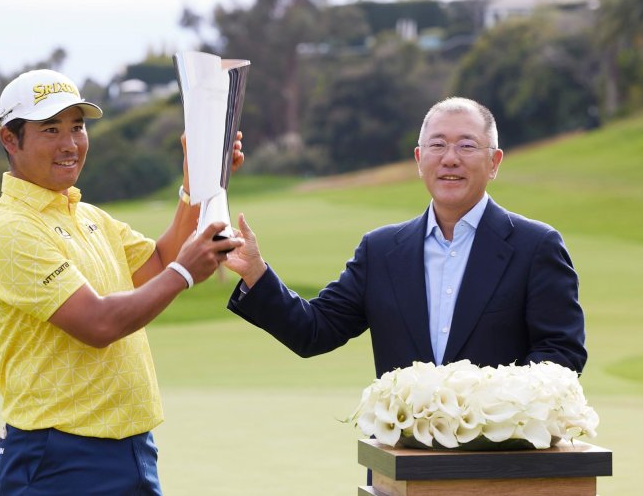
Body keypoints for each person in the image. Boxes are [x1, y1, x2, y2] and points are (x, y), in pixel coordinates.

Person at [0, 69, 244, 495]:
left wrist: (202, 177)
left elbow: (159, 259)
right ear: (10, 138)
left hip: (133, 449)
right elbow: (98, 324)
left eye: (77, 127)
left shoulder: (88, 216)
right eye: (51, 129)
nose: (70, 143)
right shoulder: (10, 228)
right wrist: (186, 273)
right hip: (58, 458)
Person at [225, 96, 587, 380]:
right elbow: (314, 331)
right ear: (418, 159)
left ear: (494, 162)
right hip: (403, 459)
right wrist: (256, 274)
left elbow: (561, 353)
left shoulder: (536, 246)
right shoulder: (380, 251)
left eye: (467, 146)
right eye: (437, 145)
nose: (449, 159)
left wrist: (492, 410)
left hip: (498, 460)